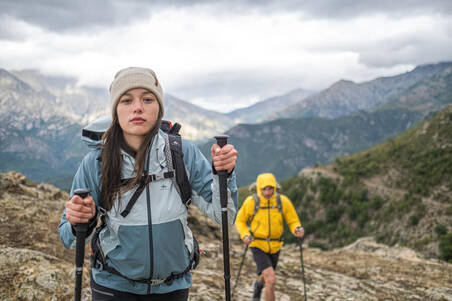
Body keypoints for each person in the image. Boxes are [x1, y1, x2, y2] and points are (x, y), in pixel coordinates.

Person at [58, 67, 238, 300]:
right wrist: (77, 221)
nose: (137, 107)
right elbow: (68, 238)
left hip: (172, 287)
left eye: (147, 99)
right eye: (126, 100)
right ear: (115, 110)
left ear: (159, 107)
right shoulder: (96, 162)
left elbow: (225, 215)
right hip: (113, 286)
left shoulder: (182, 154)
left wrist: (223, 174)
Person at [235, 173, 304, 301]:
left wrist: (297, 229)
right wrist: (245, 234)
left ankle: (258, 285)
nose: (267, 192)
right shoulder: (252, 202)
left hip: (275, 246)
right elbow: (240, 220)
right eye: (264, 189)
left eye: (270, 188)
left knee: (265, 276)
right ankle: (260, 287)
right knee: (271, 280)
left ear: (275, 188)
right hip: (257, 244)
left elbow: (292, 220)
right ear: (258, 188)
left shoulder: (282, 202)